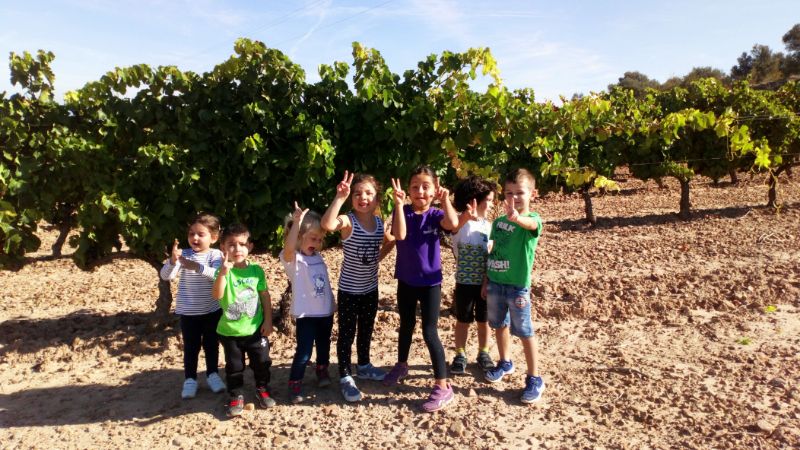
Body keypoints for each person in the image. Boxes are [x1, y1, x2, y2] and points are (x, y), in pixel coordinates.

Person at [383, 165, 459, 413]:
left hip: (430, 283)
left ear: (435, 190)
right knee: (405, 324)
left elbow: (453, 224)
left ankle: (443, 386)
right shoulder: (403, 211)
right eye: (415, 187)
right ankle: (401, 365)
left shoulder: (436, 214)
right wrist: (398, 205)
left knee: (429, 331)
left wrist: (446, 200)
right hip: (406, 280)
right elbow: (399, 235)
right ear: (408, 190)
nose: (420, 192)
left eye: (426, 187)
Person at [321, 171, 394, 402]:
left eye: (369, 193)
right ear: (352, 198)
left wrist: (380, 256)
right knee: (346, 333)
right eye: (357, 193)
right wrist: (339, 197)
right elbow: (327, 224)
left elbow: (387, 244)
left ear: (377, 199)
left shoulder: (379, 223)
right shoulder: (348, 221)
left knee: (366, 329)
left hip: (370, 289)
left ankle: (363, 365)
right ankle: (345, 375)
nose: (363, 197)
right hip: (349, 291)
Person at [482, 168, 546, 403]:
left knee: (525, 331)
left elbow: (531, 225)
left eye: (520, 192)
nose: (514, 197)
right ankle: (505, 362)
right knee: (499, 325)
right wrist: (486, 280)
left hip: (517, 287)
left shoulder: (532, 221)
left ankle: (534, 377)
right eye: (509, 193)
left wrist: (517, 218)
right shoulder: (498, 223)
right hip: (496, 284)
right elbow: (493, 251)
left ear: (533, 194)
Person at [160, 213, 226, 399]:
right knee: (191, 347)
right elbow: (166, 276)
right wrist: (173, 261)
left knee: (211, 345)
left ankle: (212, 374)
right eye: (191, 234)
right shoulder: (184, 255)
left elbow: (217, 275)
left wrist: (196, 267)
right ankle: (190, 379)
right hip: (188, 313)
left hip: (212, 311)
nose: (195, 238)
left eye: (200, 234)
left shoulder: (215, 255)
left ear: (213, 237)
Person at [211, 223, 275, 417]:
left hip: (255, 329)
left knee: (262, 362)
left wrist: (268, 321)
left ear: (250, 247)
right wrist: (223, 273)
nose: (237, 249)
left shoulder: (256, 271)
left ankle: (262, 388)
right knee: (234, 367)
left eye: (242, 244)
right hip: (230, 332)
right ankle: (236, 394)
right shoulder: (222, 271)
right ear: (223, 248)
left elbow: (264, 296)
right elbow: (217, 295)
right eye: (231, 244)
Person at [281, 203, 336, 404]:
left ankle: (322, 370)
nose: (318, 243)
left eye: (320, 239)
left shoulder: (318, 257)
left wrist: (332, 303)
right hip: (307, 315)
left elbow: (324, 284)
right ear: (299, 237)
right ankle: (295, 382)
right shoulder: (294, 260)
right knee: (304, 351)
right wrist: (296, 223)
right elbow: (288, 248)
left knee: (324, 345)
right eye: (313, 238)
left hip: (325, 313)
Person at [448, 176, 496, 375]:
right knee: (463, 320)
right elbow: (453, 229)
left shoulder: (489, 227)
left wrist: (487, 281)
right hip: (464, 283)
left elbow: (492, 255)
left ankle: (483, 352)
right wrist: (466, 217)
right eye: (489, 200)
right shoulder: (460, 224)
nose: (492, 205)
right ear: (474, 200)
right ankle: (460, 354)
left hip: (485, 283)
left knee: (484, 320)